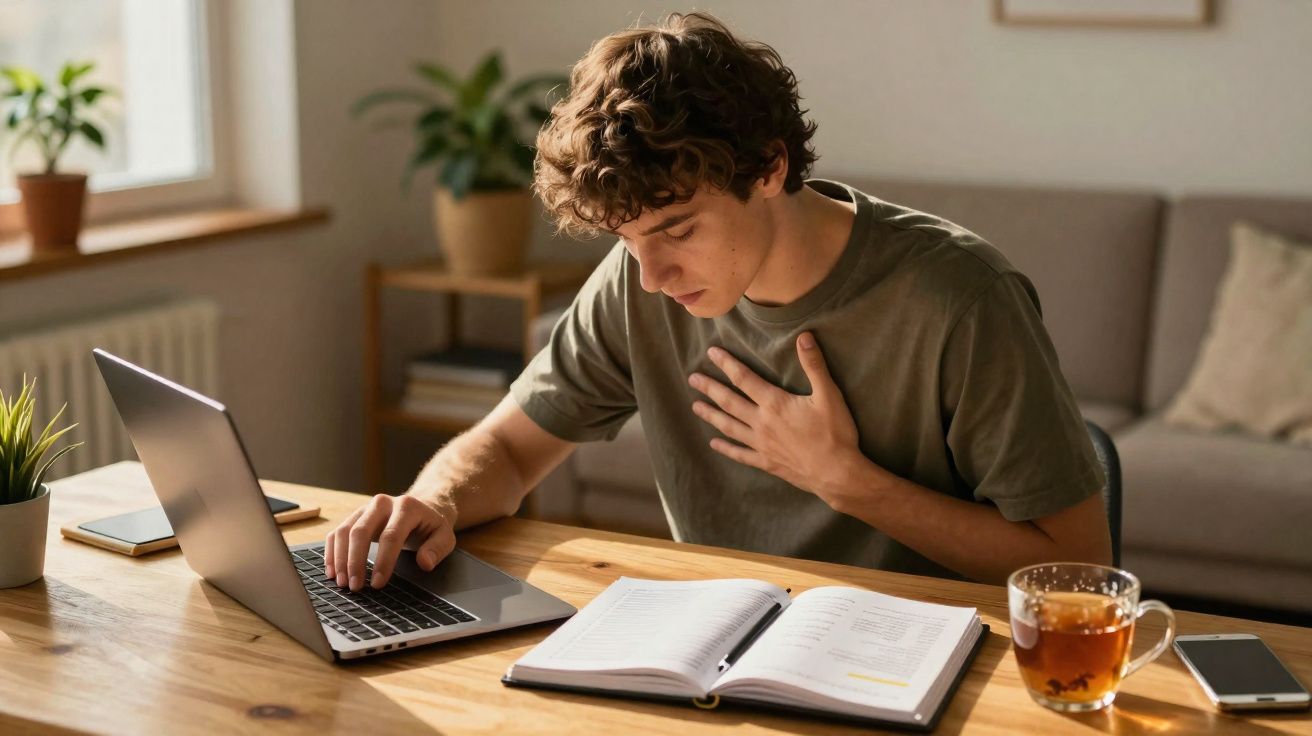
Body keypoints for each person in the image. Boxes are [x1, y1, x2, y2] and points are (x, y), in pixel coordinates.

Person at [326, 12, 1112, 592]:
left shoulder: (961, 298)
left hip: (932, 664)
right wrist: (430, 504)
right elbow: (505, 452)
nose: (652, 277)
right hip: (723, 656)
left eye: (677, 229)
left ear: (769, 167)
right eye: (626, 240)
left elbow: (1078, 571)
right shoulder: (639, 278)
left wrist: (846, 481)